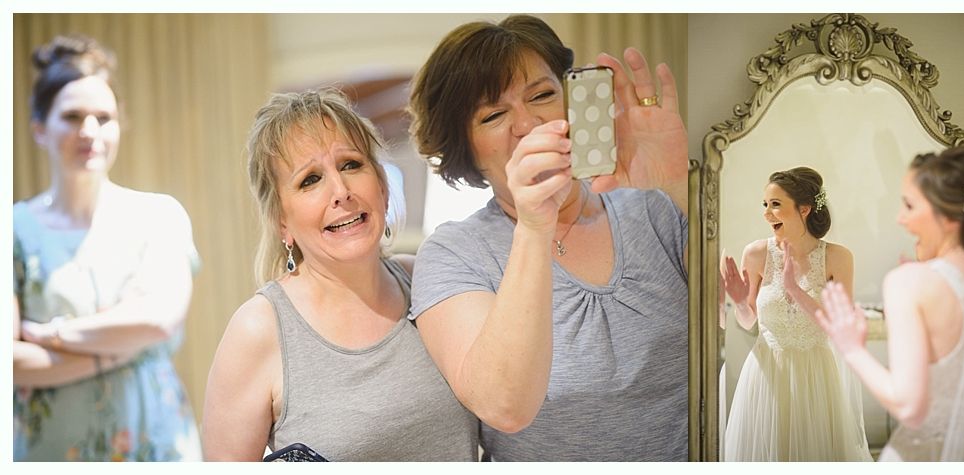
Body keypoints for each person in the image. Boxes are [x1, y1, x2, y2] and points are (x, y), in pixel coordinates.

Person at [407, 15, 689, 461]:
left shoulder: (652, 210)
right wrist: (535, 225)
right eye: (494, 115)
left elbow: (755, 311)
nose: (528, 124)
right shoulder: (453, 255)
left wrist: (679, 185)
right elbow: (505, 405)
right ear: (466, 150)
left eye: (542, 95)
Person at [200, 86, 479, 461]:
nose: (340, 191)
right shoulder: (258, 330)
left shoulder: (427, 282)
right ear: (282, 222)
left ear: (381, 185)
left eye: (350, 164)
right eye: (309, 180)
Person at [12, 34, 202, 461]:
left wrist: (55, 335)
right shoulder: (14, 231)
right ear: (39, 129)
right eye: (73, 116)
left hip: (156, 447)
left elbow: (157, 320)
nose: (89, 131)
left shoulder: (159, 216)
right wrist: (118, 346)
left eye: (104, 117)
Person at [816, 144, 964, 461]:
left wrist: (852, 348)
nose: (899, 219)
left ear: (949, 216)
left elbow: (910, 408)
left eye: (909, 205)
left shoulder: (908, 283)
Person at [720, 167, 871, 461]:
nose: (767, 214)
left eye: (776, 204)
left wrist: (794, 288)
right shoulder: (755, 253)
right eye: (765, 204)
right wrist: (739, 302)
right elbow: (749, 321)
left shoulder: (838, 257)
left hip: (814, 374)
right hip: (766, 372)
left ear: (805, 208)